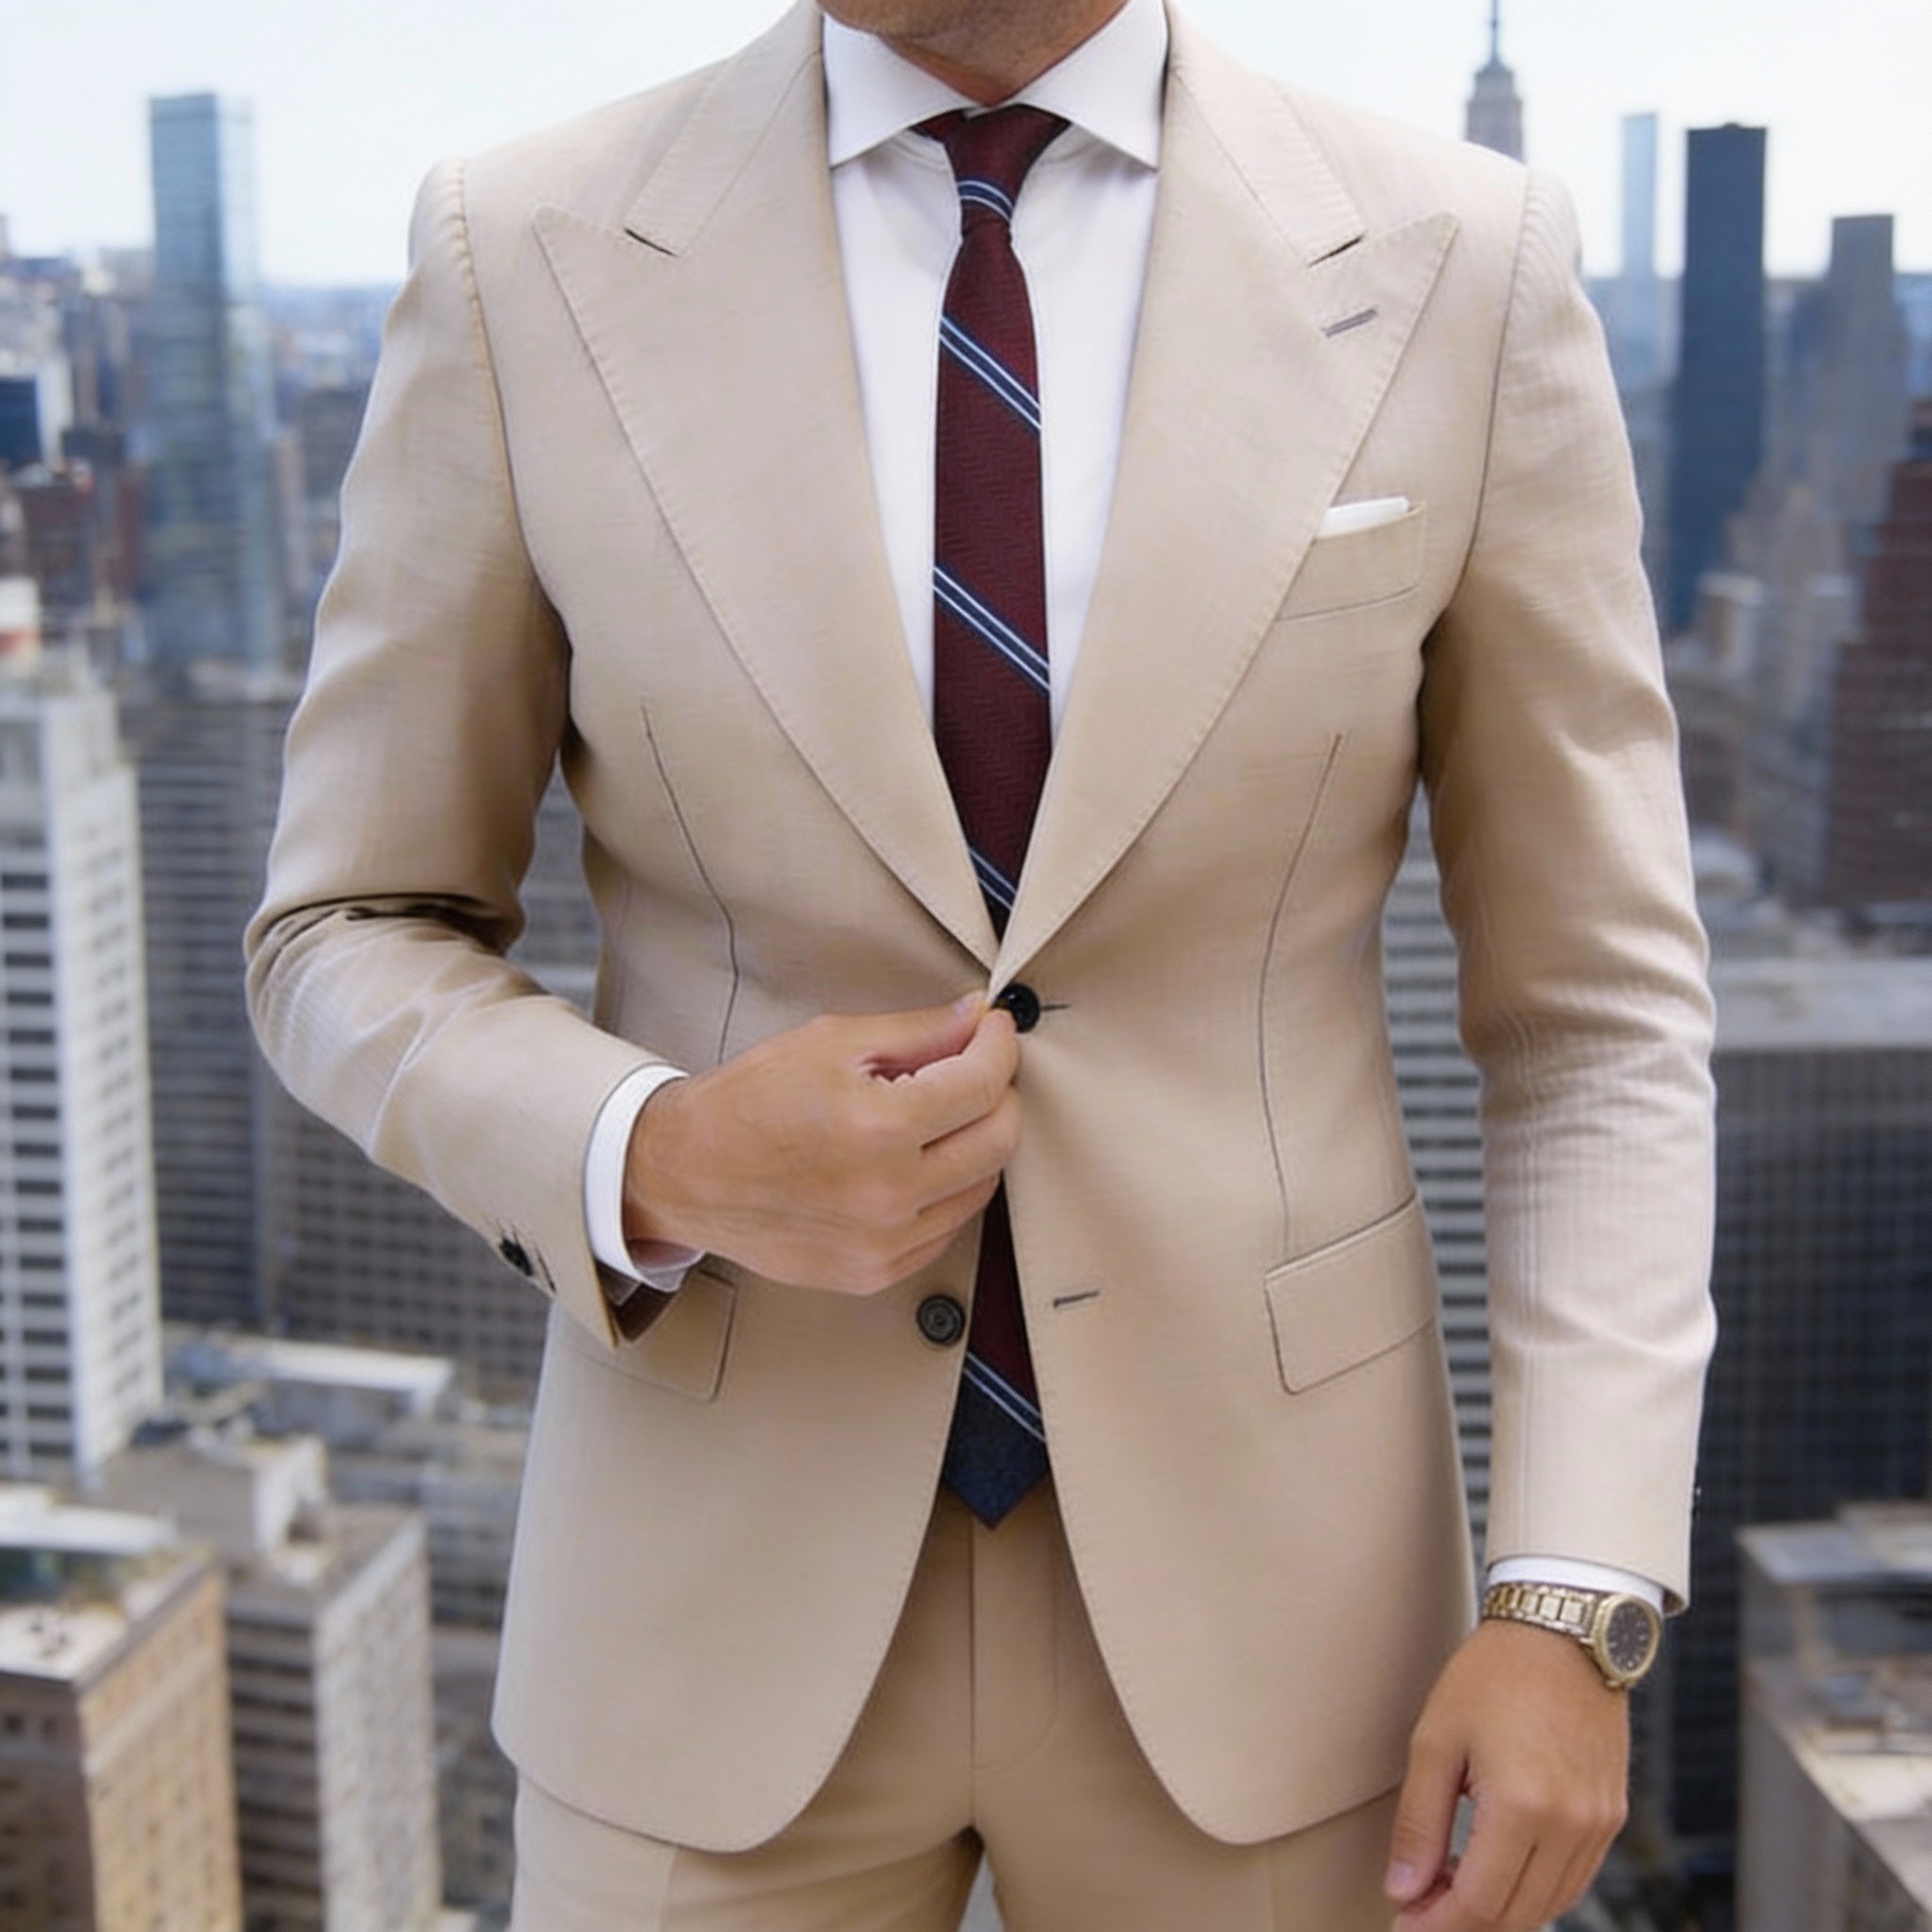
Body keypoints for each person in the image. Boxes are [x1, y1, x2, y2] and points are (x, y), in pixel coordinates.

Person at [243, 1, 1719, 1925]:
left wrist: (1570, 1594)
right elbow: (343, 923)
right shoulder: (517, 253)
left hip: (1291, 1627)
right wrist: (656, 1151)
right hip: (704, 1610)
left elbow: (1595, 1014)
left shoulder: (1465, 259)